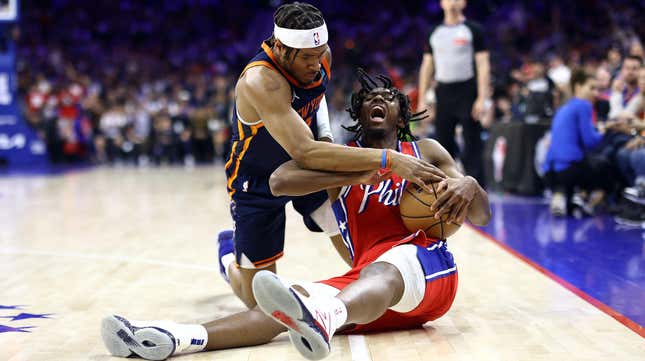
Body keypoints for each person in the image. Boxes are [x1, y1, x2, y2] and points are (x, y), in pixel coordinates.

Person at [100, 71, 491, 361]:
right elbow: (280, 180)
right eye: (369, 96)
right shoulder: (345, 157)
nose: (378, 100)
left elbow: (482, 215)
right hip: (365, 290)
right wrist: (370, 169)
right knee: (286, 304)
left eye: (388, 96)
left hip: (428, 270)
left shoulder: (428, 151)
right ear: (358, 110)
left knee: (388, 266)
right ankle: (176, 338)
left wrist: (470, 184)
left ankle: (323, 312)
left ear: (401, 110)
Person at [216, 2, 445, 309]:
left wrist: (325, 136)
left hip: (308, 169)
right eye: (307, 57)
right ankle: (230, 258)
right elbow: (306, 151)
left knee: (364, 262)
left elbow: (317, 100)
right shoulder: (261, 81)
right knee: (258, 306)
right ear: (282, 49)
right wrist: (387, 159)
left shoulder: (321, 56)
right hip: (257, 179)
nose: (316, 62)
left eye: (320, 51)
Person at [417, 0, 491, 184]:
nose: (452, 2)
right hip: (444, 91)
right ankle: (446, 185)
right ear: (442, 3)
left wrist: (482, 98)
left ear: (464, 3)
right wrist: (422, 100)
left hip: (467, 90)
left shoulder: (473, 30)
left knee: (472, 142)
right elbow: (427, 67)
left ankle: (477, 188)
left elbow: (483, 65)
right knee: (443, 142)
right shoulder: (434, 32)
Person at [542, 69, 625, 216]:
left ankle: (564, 195)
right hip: (570, 169)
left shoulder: (564, 108)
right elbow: (590, 141)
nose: (596, 93)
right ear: (578, 87)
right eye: (591, 88)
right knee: (607, 167)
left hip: (550, 171)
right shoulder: (584, 105)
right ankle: (590, 201)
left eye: (597, 89)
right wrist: (605, 130)